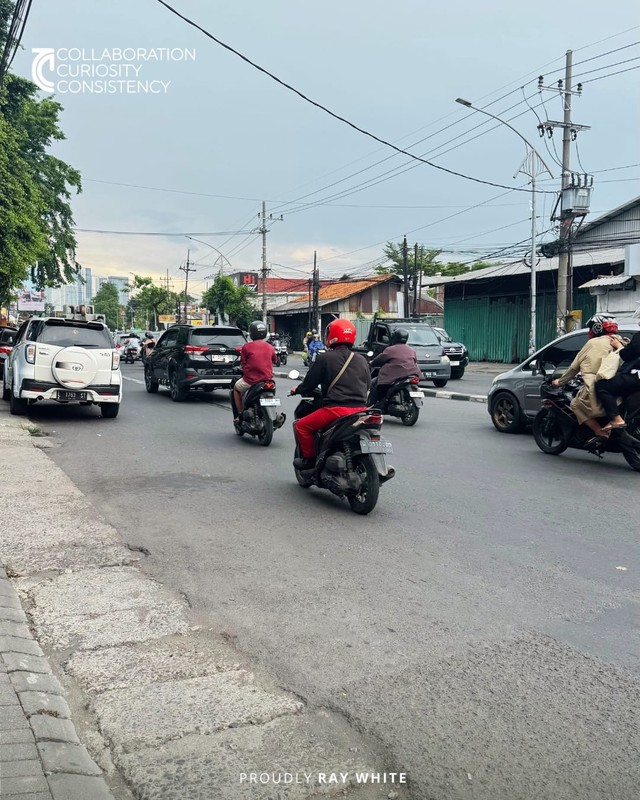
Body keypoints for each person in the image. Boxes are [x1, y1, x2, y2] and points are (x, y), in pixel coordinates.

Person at [290, 318, 371, 470]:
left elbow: (309, 385)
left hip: (336, 410)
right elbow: (368, 384)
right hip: (361, 410)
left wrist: (298, 389)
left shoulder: (325, 358)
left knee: (301, 426)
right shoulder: (361, 359)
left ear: (331, 335)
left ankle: (309, 461)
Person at [551, 314, 624, 444]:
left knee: (575, 404)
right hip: (619, 388)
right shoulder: (621, 341)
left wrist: (559, 382)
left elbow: (574, 368)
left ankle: (599, 432)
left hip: (598, 386)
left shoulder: (593, 343)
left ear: (597, 328)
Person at [233, 320, 278, 422]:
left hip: (251, 381)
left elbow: (243, 363)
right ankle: (274, 415)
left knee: (236, 388)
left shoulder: (246, 347)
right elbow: (275, 360)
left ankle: (240, 415)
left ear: (251, 333)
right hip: (268, 380)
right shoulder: (270, 347)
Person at [595, 330, 640, 431]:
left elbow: (627, 354)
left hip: (636, 377)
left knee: (602, 386)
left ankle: (617, 419)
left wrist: (619, 346)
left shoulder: (638, 336)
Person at [368, 328, 421, 405]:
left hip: (394, 377)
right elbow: (415, 361)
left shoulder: (390, 349)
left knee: (374, 382)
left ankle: (372, 404)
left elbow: (379, 360)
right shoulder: (411, 350)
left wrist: (372, 362)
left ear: (394, 338)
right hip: (411, 375)